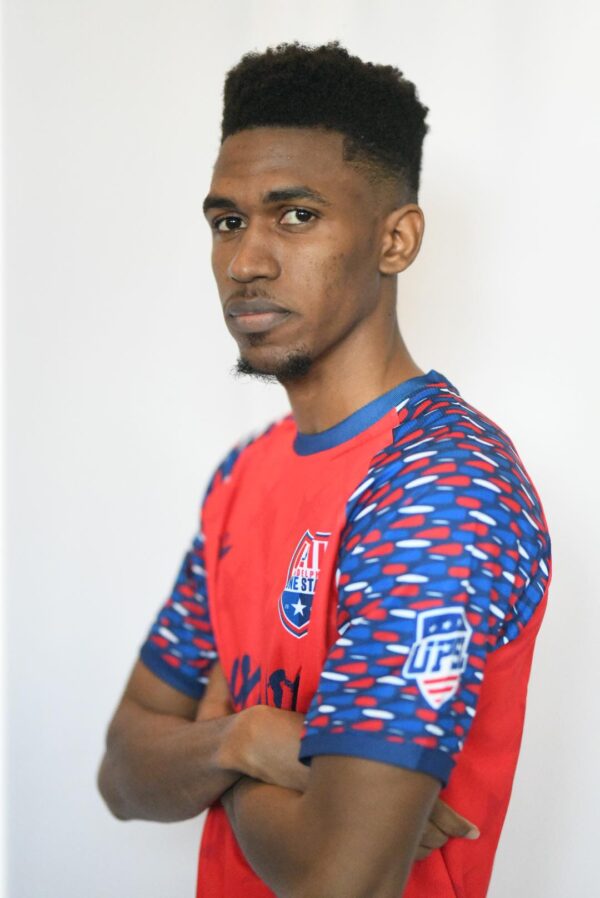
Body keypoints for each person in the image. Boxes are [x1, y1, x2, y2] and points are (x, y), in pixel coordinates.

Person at [97, 41, 551, 898]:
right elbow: (123, 771)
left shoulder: (442, 488)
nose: (246, 262)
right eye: (228, 222)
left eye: (296, 215)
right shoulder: (243, 475)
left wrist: (213, 746)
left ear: (396, 239)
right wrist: (244, 738)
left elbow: (340, 879)